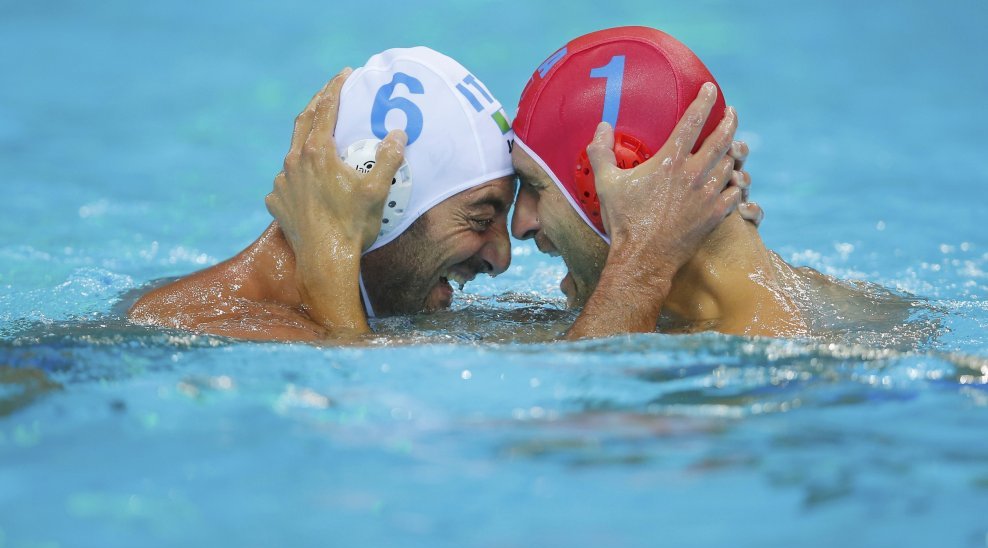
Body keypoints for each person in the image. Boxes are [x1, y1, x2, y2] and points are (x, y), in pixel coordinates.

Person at [129, 45, 759, 342]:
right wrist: (643, 263)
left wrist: (702, 241)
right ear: (382, 205)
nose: (503, 254)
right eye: (482, 216)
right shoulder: (203, 330)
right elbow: (354, 426)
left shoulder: (405, 320)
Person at [510, 26, 913, 340]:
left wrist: (642, 262)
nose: (520, 224)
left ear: (628, 177)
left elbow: (582, 426)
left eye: (536, 187)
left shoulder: (768, 353)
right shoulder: (852, 305)